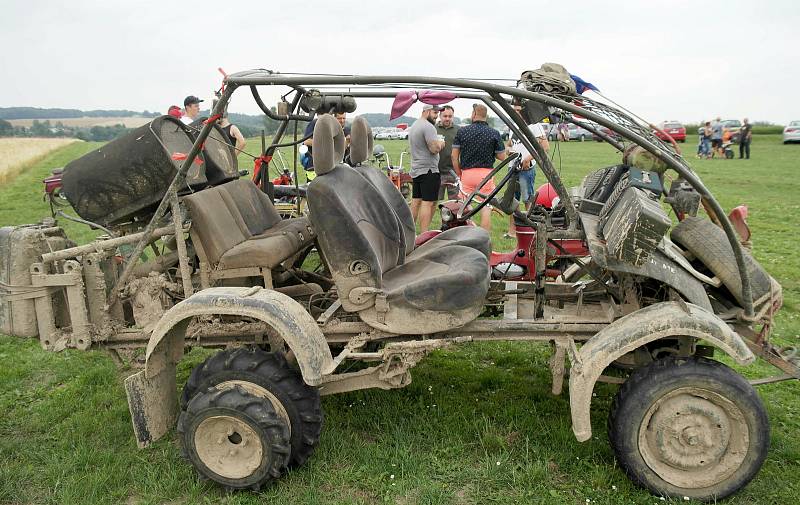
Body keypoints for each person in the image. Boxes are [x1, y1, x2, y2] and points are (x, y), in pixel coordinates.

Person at [452, 103, 507, 231]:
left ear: (474, 114)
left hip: (467, 173)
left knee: (464, 207)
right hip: (486, 175)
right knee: (486, 207)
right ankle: (484, 237)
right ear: (485, 116)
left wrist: (459, 173)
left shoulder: (462, 132)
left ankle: (463, 233)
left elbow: (454, 157)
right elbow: (502, 157)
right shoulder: (494, 133)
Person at [505, 101, 549, 238]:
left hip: (526, 169)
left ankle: (530, 230)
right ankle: (512, 231)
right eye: (514, 110)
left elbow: (545, 147)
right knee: (512, 200)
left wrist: (528, 159)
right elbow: (509, 144)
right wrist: (507, 150)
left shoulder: (535, 126)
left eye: (518, 110)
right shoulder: (513, 126)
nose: (516, 112)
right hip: (513, 167)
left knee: (527, 200)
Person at [408, 104, 445, 231]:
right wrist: (441, 143)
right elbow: (434, 149)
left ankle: (410, 232)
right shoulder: (428, 127)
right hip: (429, 170)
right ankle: (424, 235)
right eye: (435, 113)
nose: (437, 117)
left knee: (416, 202)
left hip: (417, 169)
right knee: (428, 203)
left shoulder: (414, 125)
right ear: (427, 111)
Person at [302, 112, 351, 181]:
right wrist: (326, 143)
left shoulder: (346, 130)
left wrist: (347, 142)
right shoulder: (316, 123)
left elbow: (340, 151)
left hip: (334, 166)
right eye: (339, 118)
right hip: (314, 166)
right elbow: (306, 141)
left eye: (344, 118)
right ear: (333, 118)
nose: (342, 120)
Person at [436, 105, 460, 200]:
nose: (447, 118)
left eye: (450, 116)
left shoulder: (459, 130)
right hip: (437, 171)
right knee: (433, 201)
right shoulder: (433, 129)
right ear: (440, 116)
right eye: (445, 116)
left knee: (455, 202)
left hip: (453, 172)